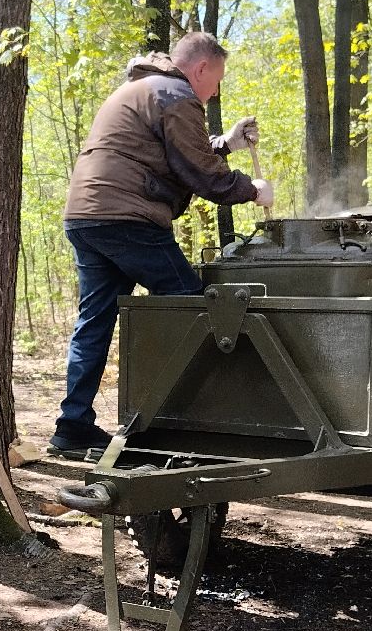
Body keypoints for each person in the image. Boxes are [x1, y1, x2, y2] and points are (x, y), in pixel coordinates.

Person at [50, 32, 273, 456]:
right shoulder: (176, 93)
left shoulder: (143, 88)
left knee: (94, 322)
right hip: (126, 217)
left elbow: (171, 155)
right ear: (201, 68)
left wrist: (226, 144)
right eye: (217, 79)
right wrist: (252, 190)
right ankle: (174, 420)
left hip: (87, 215)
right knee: (190, 308)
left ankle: (73, 425)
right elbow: (201, 174)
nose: (216, 90)